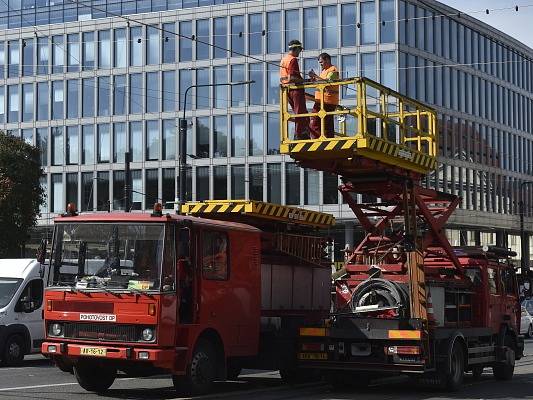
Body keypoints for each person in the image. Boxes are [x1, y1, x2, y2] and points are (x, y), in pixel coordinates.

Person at [280, 39, 310, 140]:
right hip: (295, 89)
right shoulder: (292, 60)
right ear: (295, 48)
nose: (300, 52)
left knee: (298, 112)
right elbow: (292, 77)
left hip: (287, 90)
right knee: (300, 113)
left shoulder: (284, 59)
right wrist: (306, 81)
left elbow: (286, 77)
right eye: (299, 50)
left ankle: (300, 133)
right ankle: (300, 134)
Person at [308, 53, 340, 139]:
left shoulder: (333, 70)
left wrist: (315, 76)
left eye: (321, 62)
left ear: (327, 60)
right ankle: (323, 139)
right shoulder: (324, 71)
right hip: (321, 101)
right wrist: (313, 79)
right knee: (323, 122)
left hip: (328, 101)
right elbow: (320, 83)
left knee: (318, 121)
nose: (321, 64)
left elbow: (327, 82)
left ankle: (319, 139)